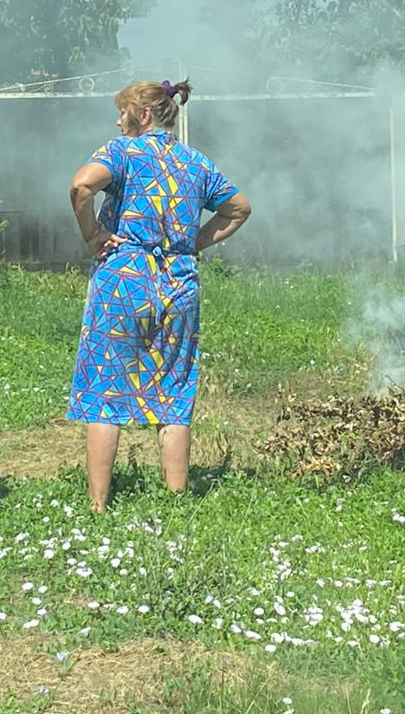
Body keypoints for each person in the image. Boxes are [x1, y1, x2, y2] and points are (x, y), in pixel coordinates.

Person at [66, 78, 251, 511]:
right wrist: (193, 244)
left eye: (123, 111)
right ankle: (176, 503)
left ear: (143, 115)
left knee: (106, 390)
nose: (117, 120)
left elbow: (80, 187)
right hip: (178, 285)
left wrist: (92, 234)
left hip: (123, 284)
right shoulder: (196, 163)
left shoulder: (121, 152)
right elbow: (240, 208)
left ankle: (97, 506)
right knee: (172, 392)